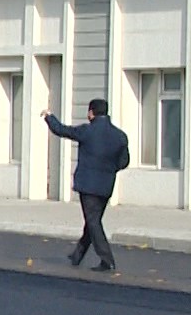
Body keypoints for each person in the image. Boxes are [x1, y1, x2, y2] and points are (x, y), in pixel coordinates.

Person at [42, 99, 131, 273]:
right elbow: (124, 161)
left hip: (88, 186)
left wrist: (49, 117)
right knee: (93, 221)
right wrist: (109, 170)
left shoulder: (87, 131)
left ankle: (107, 260)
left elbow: (61, 130)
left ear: (91, 113)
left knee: (93, 222)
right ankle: (77, 255)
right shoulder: (120, 136)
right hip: (106, 186)